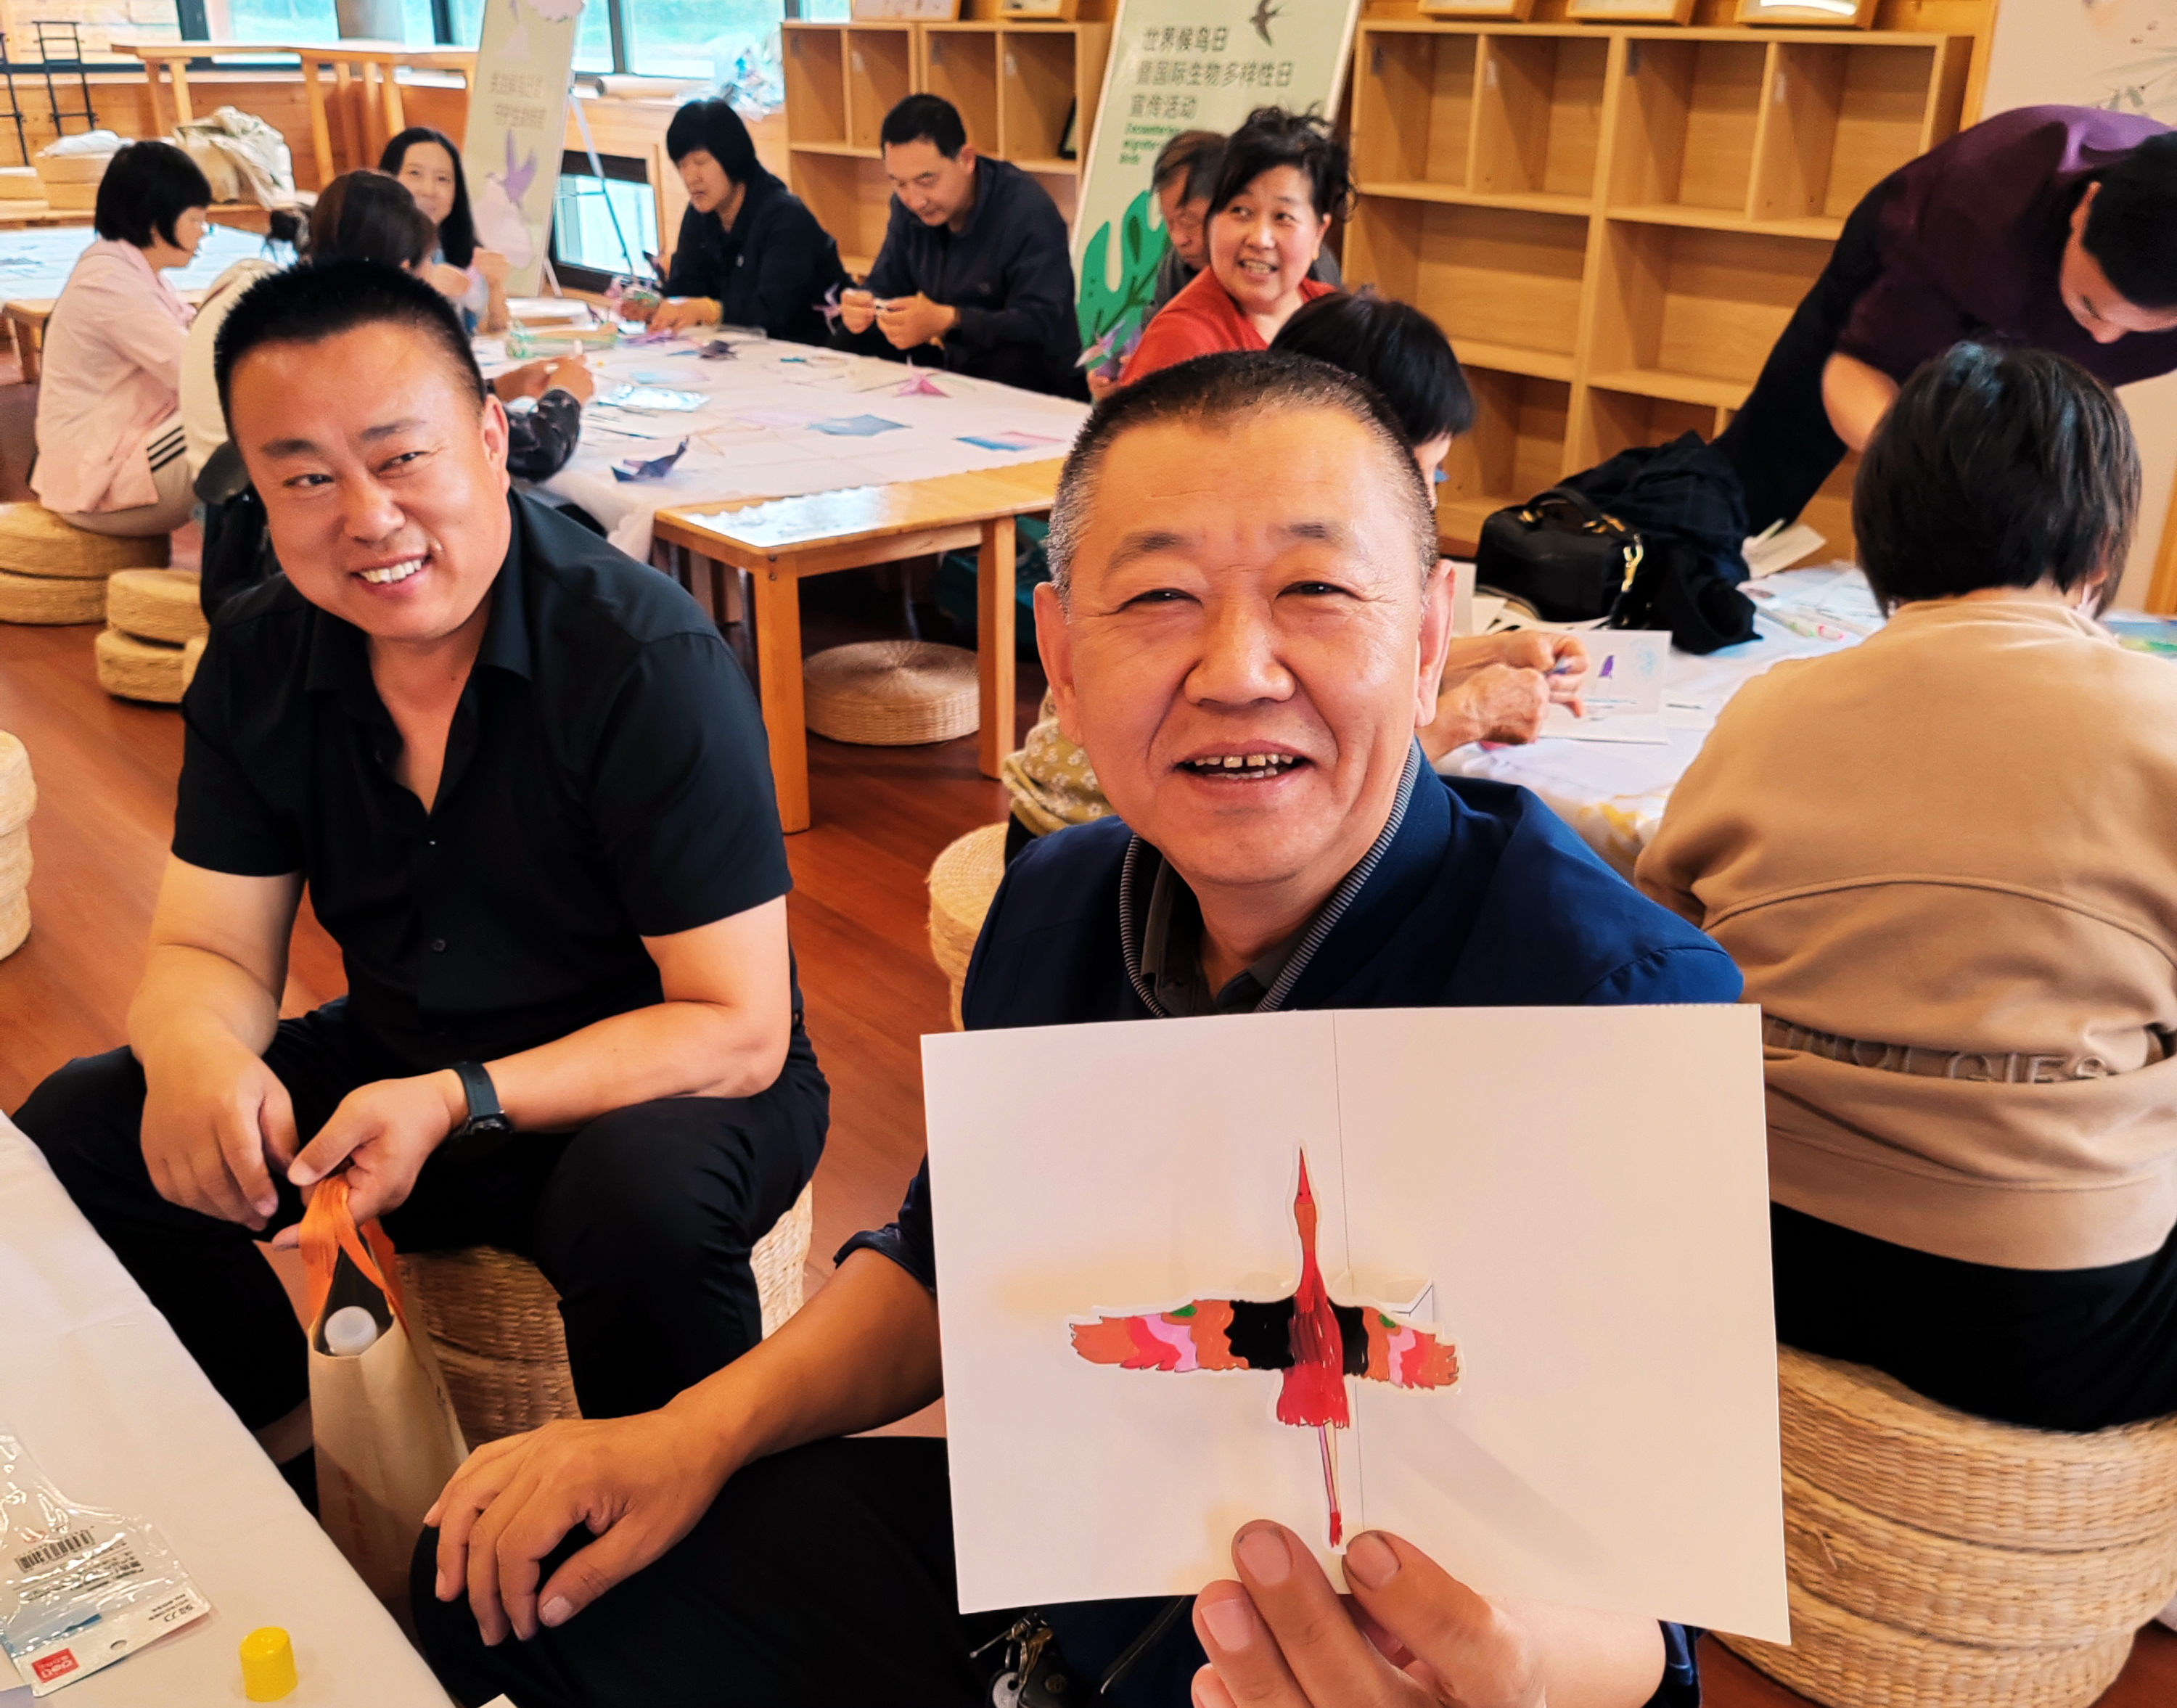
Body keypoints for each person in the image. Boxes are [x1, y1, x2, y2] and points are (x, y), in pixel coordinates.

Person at [407, 351, 1735, 1708]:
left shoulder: (1608, 999)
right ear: (1060, 651)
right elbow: (952, 1259)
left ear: (1433, 632)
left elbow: (1651, 1613)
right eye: (1158, 597)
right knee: (501, 1578)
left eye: (1319, 589)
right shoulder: (1053, 903)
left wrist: (1509, 1671)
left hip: (1351, 1667)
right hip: (1051, 1600)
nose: (1239, 670)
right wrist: (688, 1431)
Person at [12, 261, 827, 1514]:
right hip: (410, 1046)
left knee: (639, 1206)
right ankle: (282, 1443)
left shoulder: (643, 658)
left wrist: (460, 1100)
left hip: (654, 1068)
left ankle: (692, 1543)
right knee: (85, 1123)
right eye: (305, 479)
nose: (368, 517)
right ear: (255, 490)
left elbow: (736, 1026)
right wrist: (195, 1058)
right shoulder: (261, 658)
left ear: (491, 438)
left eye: (401, 458)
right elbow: (211, 949)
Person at [1640, 341, 2177, 1434]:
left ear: (1881, 530)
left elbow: (1662, 940)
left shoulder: (1770, 706)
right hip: (2051, 1312)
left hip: (1760, 1241)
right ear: (2102, 545)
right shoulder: (2159, 717)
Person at [1005, 290, 1586, 855]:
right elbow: (1336, 784)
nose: (1239, 676)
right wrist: (1469, 713)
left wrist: (1490, 652)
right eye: (1163, 595)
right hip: (1088, 836)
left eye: (1434, 477)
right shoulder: (1075, 872)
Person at [1715, 108, 2177, 536]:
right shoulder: (1973, 209)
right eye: (2090, 306)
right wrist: (1930, 475)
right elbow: (1854, 371)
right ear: (2085, 208)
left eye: (2147, 327)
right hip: (1918, 243)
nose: (2103, 339)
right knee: (1782, 442)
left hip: (2007, 278)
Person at [181, 173, 593, 617]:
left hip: (227, 516)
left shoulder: (290, 314)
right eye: (428, 264)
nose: (372, 519)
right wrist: (566, 393)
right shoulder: (340, 343)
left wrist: (499, 387)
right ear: (404, 270)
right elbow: (538, 451)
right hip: (261, 552)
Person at [835, 94, 1081, 396]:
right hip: (957, 363)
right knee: (852, 338)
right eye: (899, 183)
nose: (915, 200)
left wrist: (950, 319)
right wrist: (864, 305)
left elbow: (1040, 324)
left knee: (1010, 361)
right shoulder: (909, 208)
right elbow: (886, 284)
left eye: (926, 180)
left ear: (966, 159)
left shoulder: (1027, 211)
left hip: (1033, 374)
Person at [30, 139, 210, 538]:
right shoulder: (109, 283)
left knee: (249, 411)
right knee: (236, 414)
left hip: (121, 451)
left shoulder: (133, 272)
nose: (203, 233)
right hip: (97, 483)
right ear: (156, 221)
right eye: (196, 220)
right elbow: (196, 373)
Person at [1119, 108, 1345, 387]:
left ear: (1319, 233)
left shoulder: (1335, 318)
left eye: (1283, 217)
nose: (1259, 239)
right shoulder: (1182, 342)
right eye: (1240, 211)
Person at [628, 98, 847, 343]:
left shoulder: (786, 217)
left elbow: (773, 311)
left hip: (810, 352)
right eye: (682, 165)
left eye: (700, 162)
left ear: (731, 157)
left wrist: (710, 311)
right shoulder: (700, 214)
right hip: (739, 354)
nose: (690, 177)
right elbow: (684, 288)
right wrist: (657, 306)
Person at [382, 126, 509, 334]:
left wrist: (495, 287)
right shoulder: (369, 251)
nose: (429, 190)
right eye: (415, 173)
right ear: (389, 178)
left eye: (442, 179)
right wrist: (423, 292)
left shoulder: (452, 249)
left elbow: (486, 331)